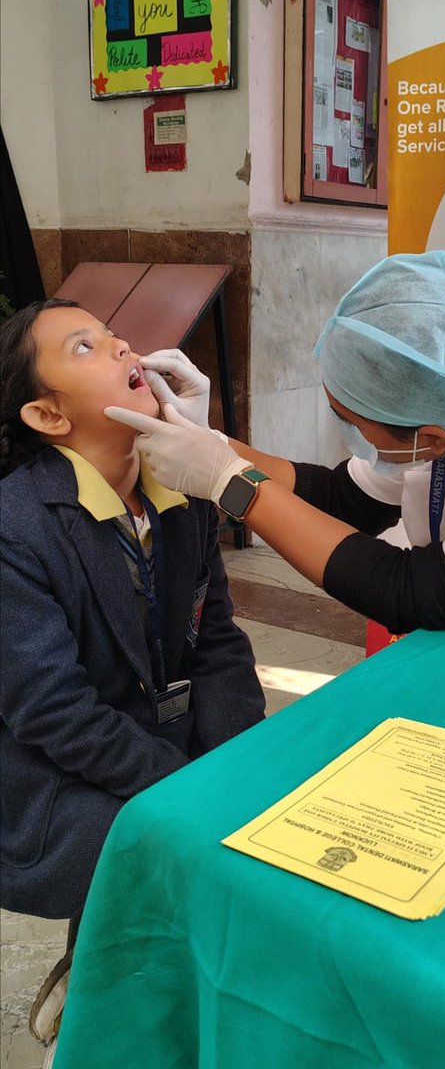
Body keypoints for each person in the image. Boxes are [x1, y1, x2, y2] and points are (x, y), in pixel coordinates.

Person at [106, 250, 445, 639]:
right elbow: (341, 496)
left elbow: (410, 592)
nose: (119, 349)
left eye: (350, 419)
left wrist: (230, 483)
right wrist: (213, 440)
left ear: (433, 439)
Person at [0, 299, 265, 925]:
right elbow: (52, 710)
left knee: (260, 810)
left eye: (114, 334)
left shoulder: (181, 485)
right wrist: (182, 786)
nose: (122, 346)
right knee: (156, 849)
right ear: (46, 413)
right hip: (59, 766)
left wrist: (237, 761)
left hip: (162, 735)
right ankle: (98, 976)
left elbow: (217, 641)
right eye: (84, 347)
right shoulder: (17, 525)